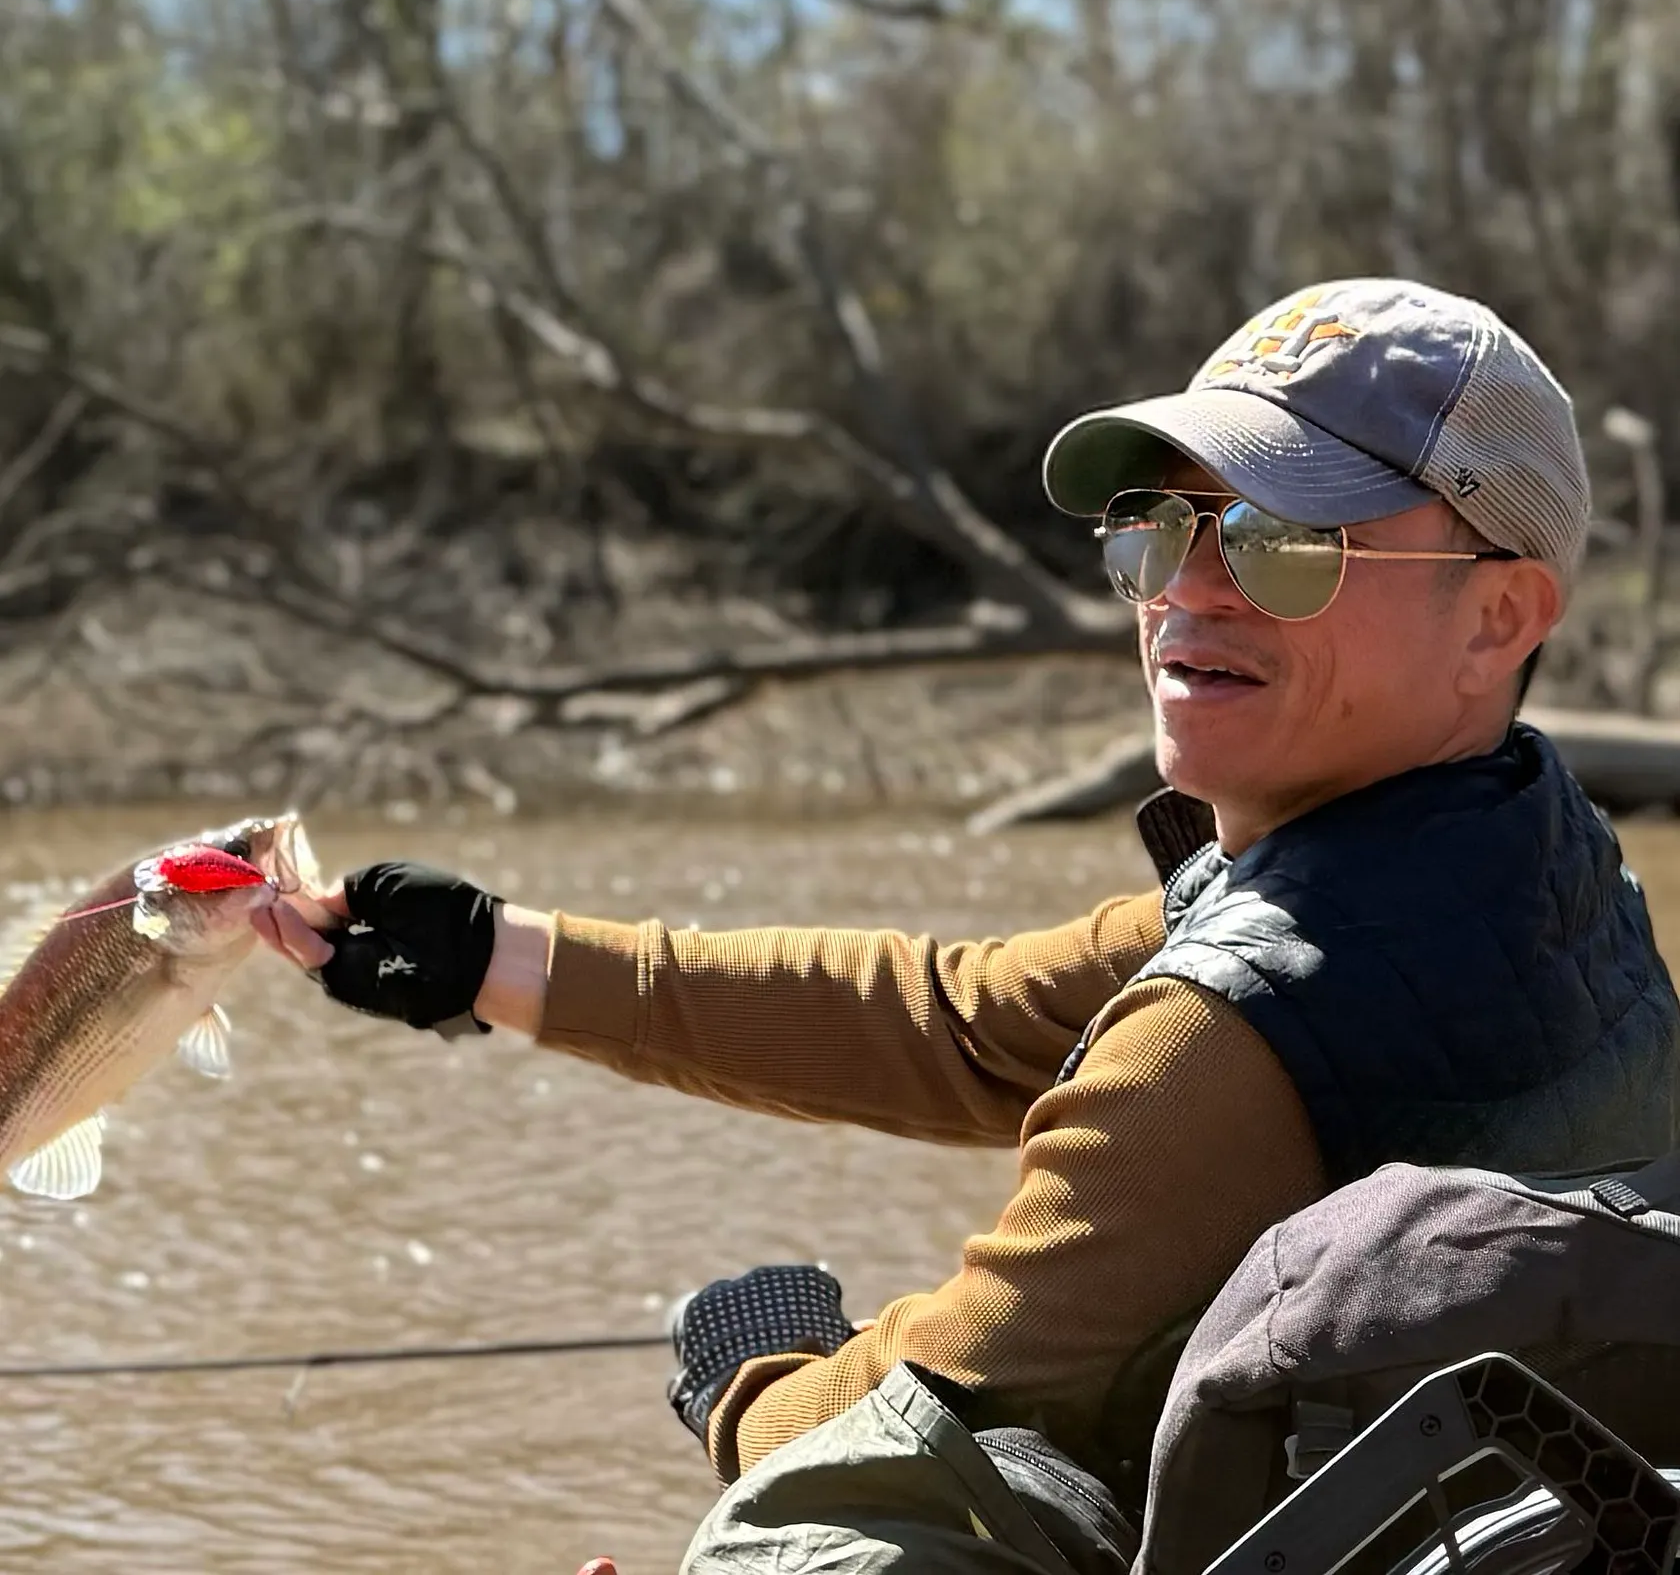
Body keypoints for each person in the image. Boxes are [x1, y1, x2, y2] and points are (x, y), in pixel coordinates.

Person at [256, 279, 1680, 1513]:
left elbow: (906, 1423)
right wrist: (490, 959)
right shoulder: (1530, 854)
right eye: (1161, 530)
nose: (1189, 594)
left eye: (1283, 544)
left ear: (1498, 616)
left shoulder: (1226, 1043)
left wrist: (742, 1381)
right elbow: (960, 1017)